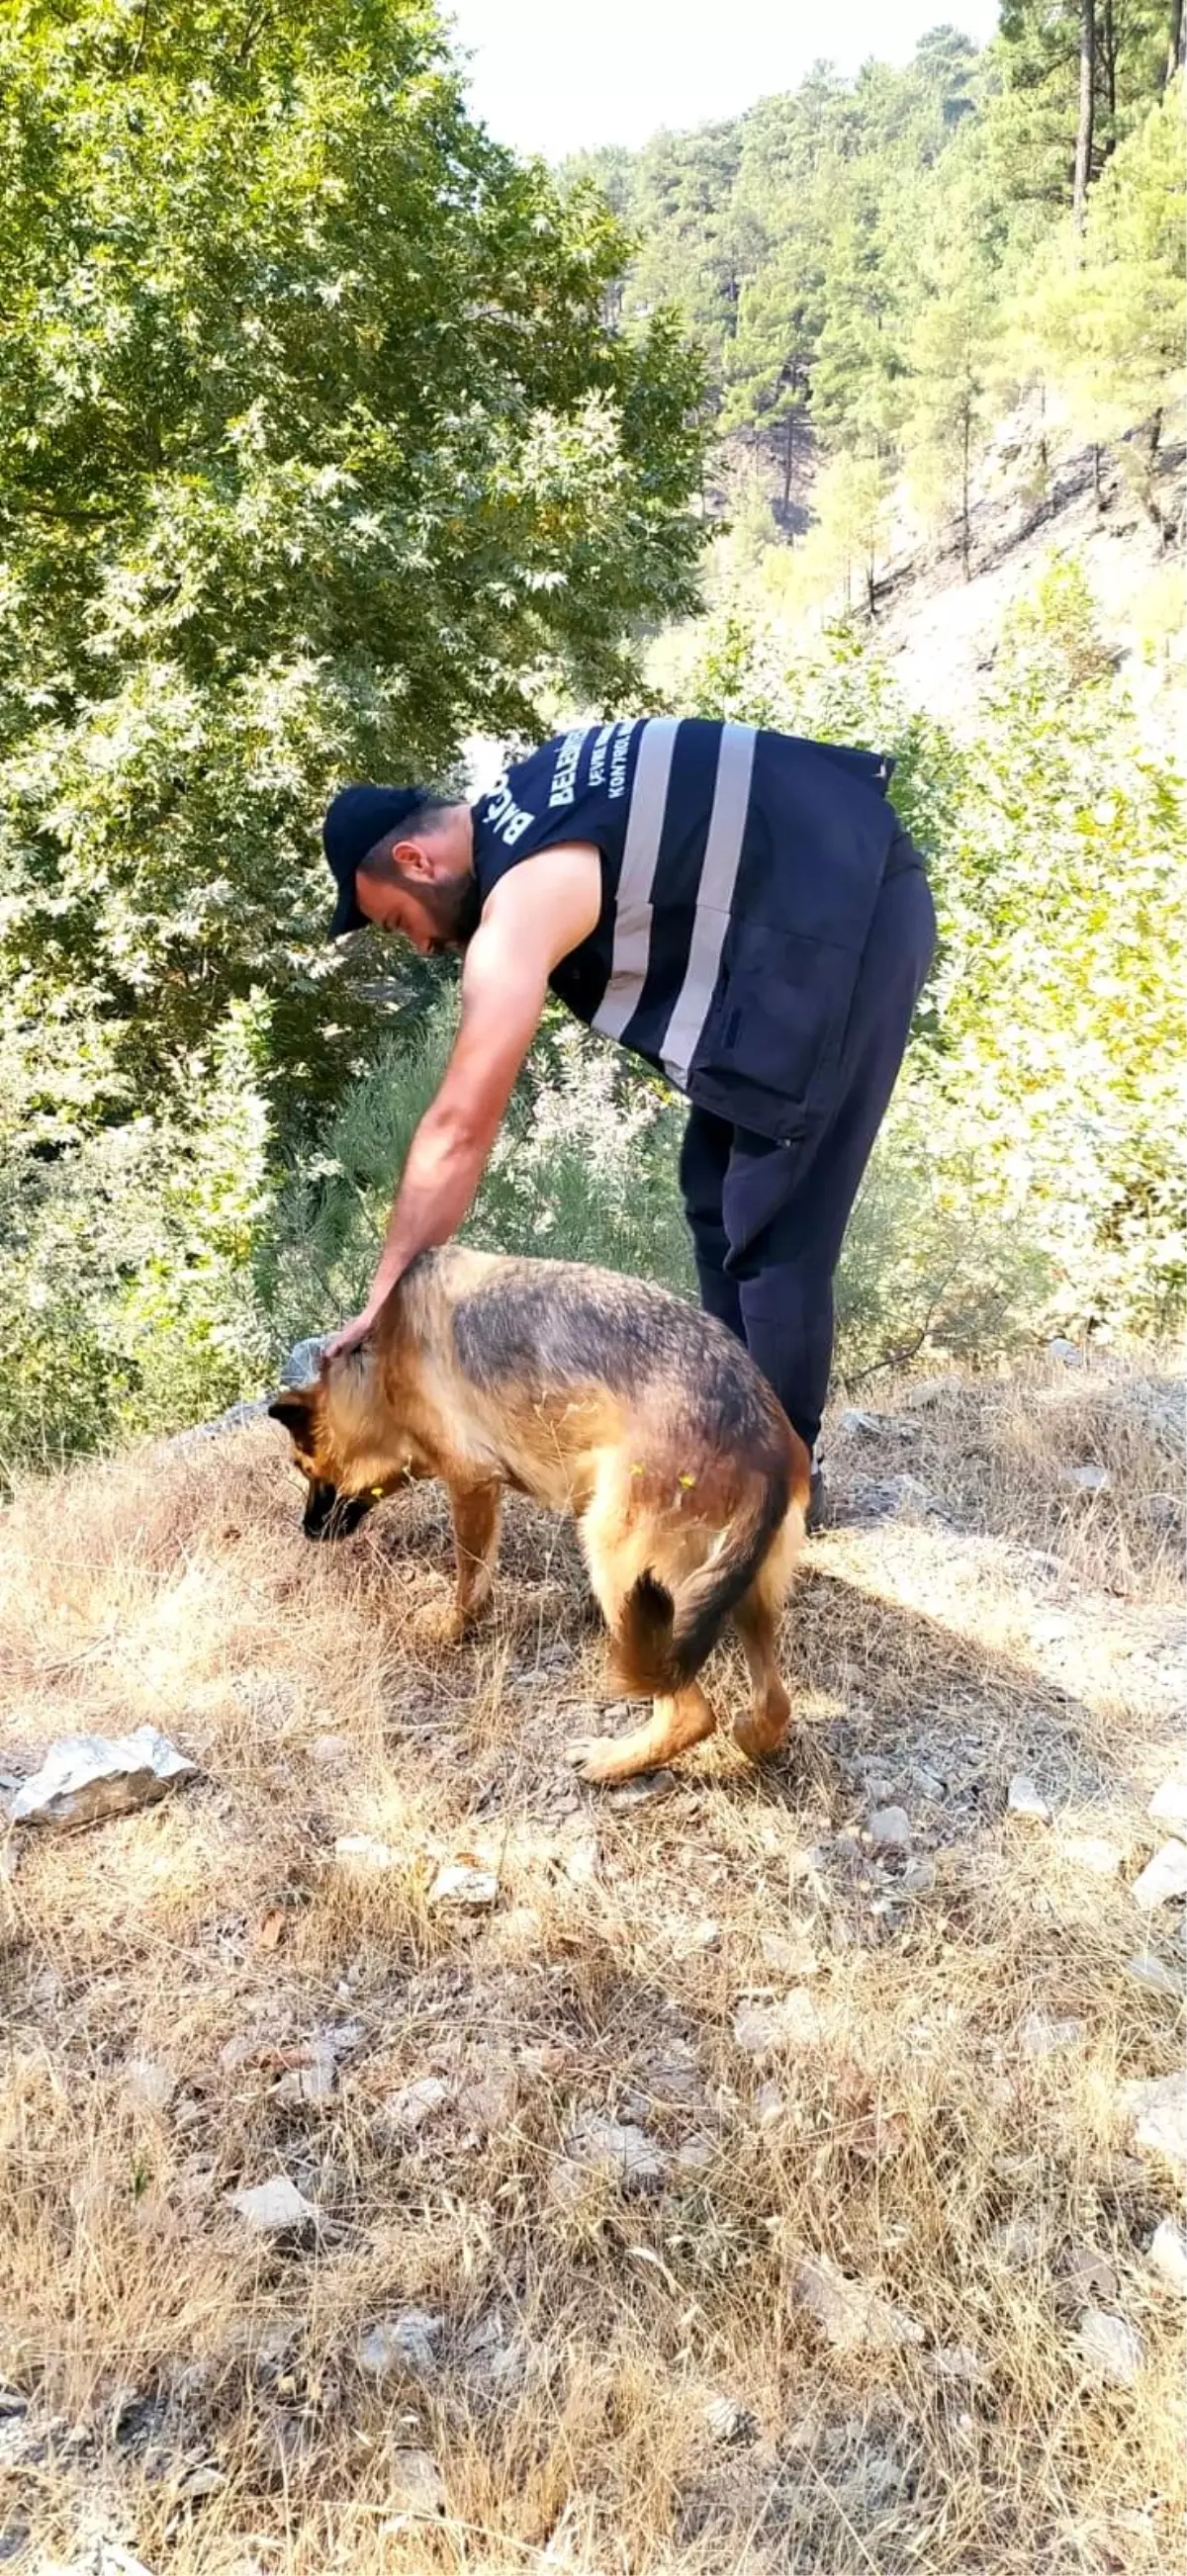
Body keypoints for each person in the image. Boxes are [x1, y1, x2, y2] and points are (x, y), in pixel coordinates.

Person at [318, 717, 936, 1511]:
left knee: (774, 1222)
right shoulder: (529, 794)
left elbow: (458, 1128)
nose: (423, 948)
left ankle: (776, 1500)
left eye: (401, 921)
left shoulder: (520, 898)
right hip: (803, 925)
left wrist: (387, 1300)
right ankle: (729, 1447)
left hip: (850, 922)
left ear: (414, 859)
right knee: (714, 1191)